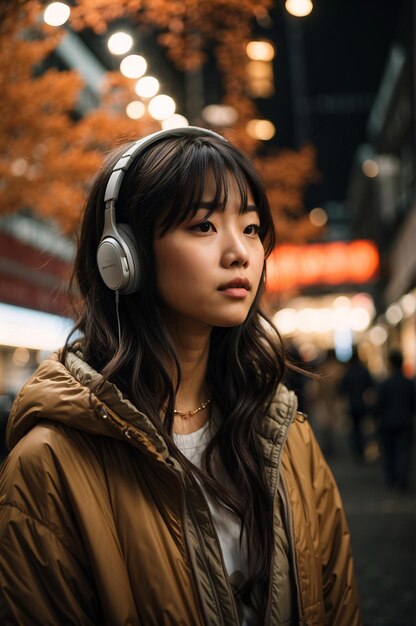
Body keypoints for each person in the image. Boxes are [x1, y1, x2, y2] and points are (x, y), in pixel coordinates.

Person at [0, 127, 361, 625]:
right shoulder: (50, 465)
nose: (239, 253)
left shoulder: (284, 434)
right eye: (204, 226)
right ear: (122, 258)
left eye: (252, 228)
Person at [375, 349, 416, 490]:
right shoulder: (409, 383)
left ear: (390, 364)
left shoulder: (384, 384)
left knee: (389, 452)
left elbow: (378, 405)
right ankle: (402, 478)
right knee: (403, 450)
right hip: (405, 421)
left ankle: (391, 478)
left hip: (387, 422)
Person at [340, 347, 375, 462]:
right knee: (361, 429)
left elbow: (341, 389)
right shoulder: (364, 371)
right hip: (362, 404)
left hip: (352, 404)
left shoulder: (348, 373)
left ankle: (356, 451)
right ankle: (361, 450)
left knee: (354, 429)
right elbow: (371, 385)